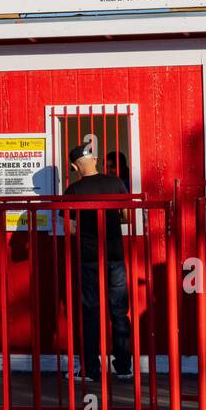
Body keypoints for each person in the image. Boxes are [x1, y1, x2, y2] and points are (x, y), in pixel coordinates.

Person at [64, 145, 133, 383]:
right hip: (114, 255)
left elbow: (70, 228)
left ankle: (91, 369)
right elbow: (127, 216)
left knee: (90, 312)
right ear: (94, 160)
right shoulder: (116, 184)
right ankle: (124, 367)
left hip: (88, 257)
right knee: (120, 311)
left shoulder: (72, 190)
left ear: (75, 167)